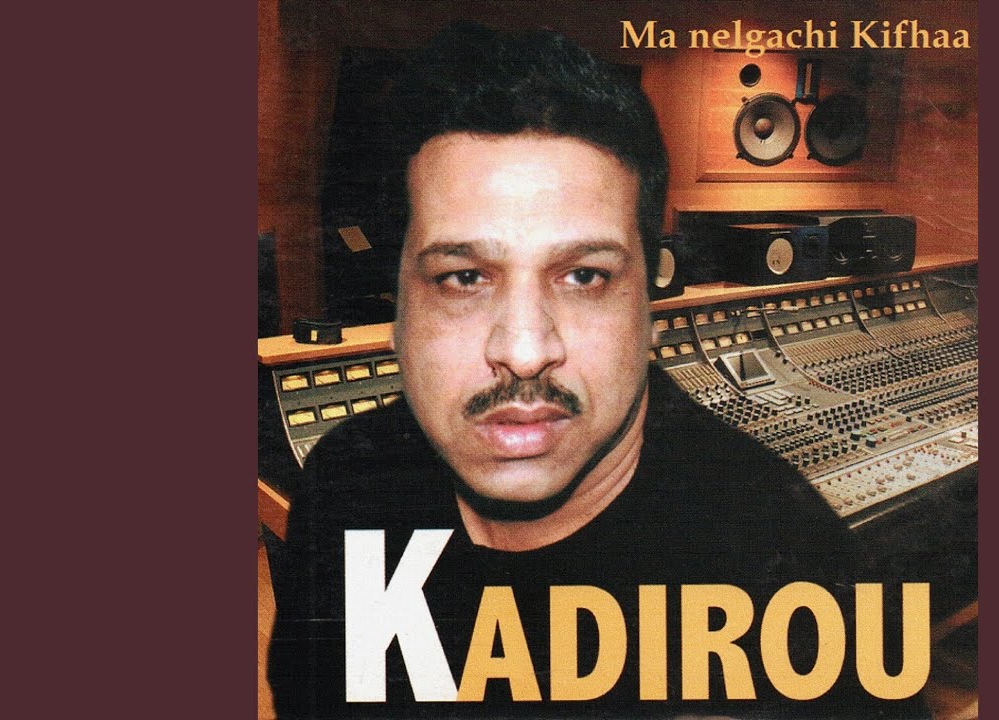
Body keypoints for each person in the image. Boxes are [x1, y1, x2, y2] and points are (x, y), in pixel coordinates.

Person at [268, 23, 930, 720]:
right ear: (397, 309)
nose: (525, 351)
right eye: (464, 277)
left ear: (651, 305)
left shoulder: (795, 575)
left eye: (584, 276)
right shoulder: (345, 486)